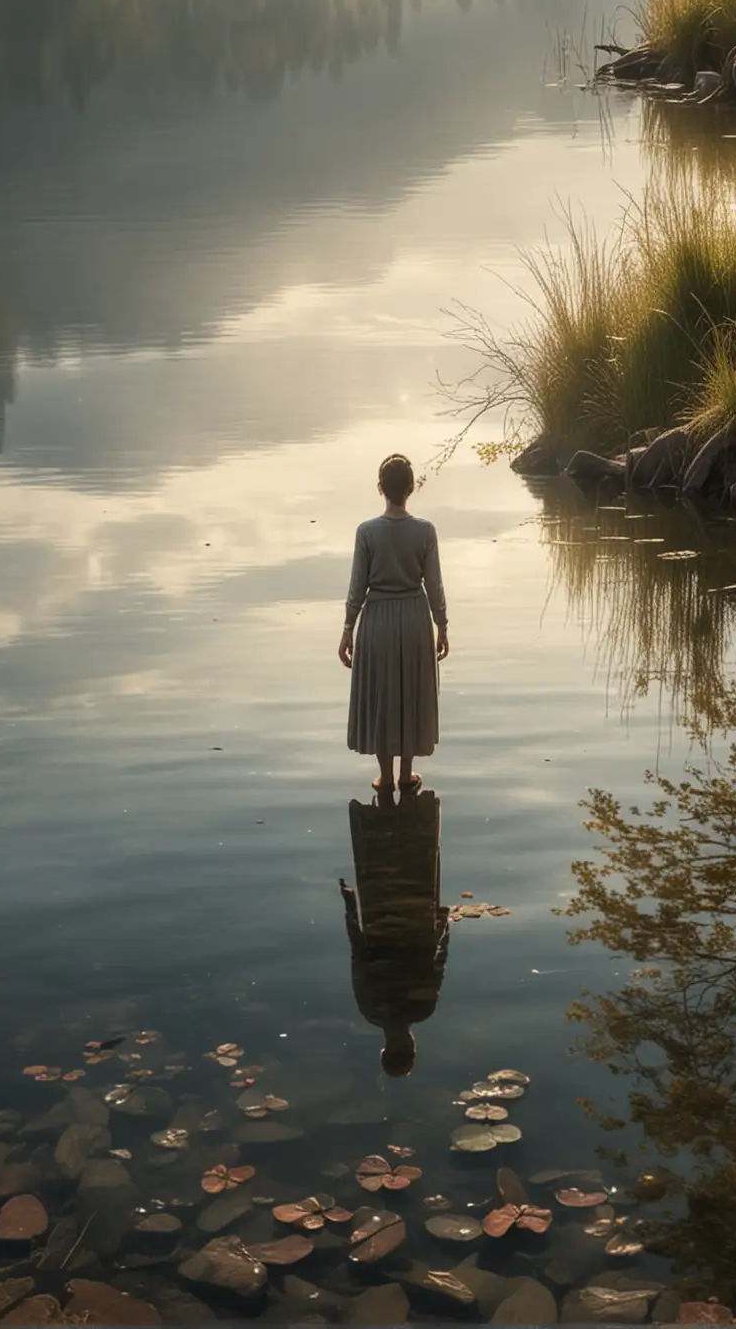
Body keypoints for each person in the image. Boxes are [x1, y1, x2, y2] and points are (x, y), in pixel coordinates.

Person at [338, 452, 449, 795]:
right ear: (411, 488)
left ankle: (385, 776)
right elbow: (434, 584)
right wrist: (442, 624)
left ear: (380, 488)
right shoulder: (425, 531)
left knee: (383, 692)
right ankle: (406, 774)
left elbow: (358, 587)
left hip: (378, 621)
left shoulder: (367, 532)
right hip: (415, 618)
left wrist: (347, 630)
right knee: (411, 691)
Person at [340, 787, 449, 1076]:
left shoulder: (422, 1010)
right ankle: (390, 795)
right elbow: (358, 956)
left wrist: (444, 926)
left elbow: (438, 963)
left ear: (411, 1046)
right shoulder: (370, 1010)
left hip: (418, 911)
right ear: (384, 1049)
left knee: (418, 849)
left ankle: (404, 798)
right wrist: (351, 909)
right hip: (379, 908)